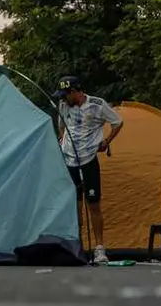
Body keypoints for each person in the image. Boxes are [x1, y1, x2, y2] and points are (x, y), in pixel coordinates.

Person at [53, 76, 123, 264]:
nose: (62, 98)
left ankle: (99, 248)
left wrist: (106, 142)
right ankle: (76, 245)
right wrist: (63, 141)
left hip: (88, 159)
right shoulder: (63, 106)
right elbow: (61, 126)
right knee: (73, 205)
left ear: (76, 92)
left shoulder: (97, 104)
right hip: (69, 160)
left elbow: (118, 122)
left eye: (65, 95)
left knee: (93, 204)